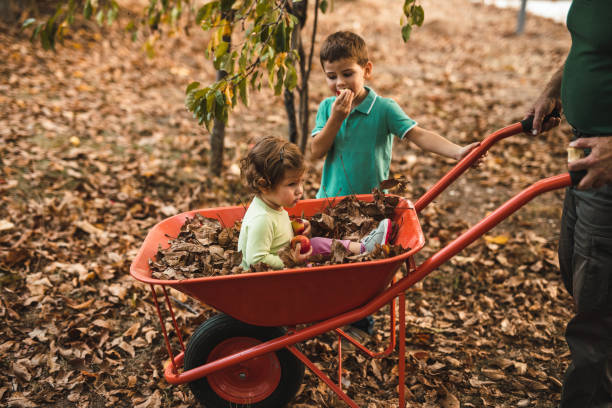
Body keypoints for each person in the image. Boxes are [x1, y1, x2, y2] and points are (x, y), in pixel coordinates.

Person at [526, 1, 612, 406]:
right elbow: (588, 48)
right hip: (584, 146)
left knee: (596, 295)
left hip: (608, 158)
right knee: (574, 266)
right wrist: (553, 88)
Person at [310, 30, 480, 199]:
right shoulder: (327, 107)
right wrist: (336, 118)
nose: (340, 82)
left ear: (367, 70)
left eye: (347, 74)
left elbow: (419, 136)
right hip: (329, 201)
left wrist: (458, 152)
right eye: (332, 76)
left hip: (371, 205)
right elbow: (317, 151)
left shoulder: (384, 109)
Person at [237, 136, 392, 271]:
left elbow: (274, 233)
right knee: (315, 271)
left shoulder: (271, 205)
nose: (300, 191)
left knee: (315, 243)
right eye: (291, 184)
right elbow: (255, 260)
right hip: (271, 279)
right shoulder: (262, 219)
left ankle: (363, 248)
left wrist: (293, 227)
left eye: (301, 182)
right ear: (264, 186)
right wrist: (291, 262)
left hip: (287, 257)